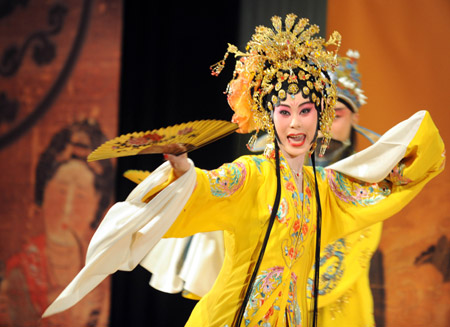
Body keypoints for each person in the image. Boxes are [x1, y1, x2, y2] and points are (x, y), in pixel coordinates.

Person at [42, 14, 445, 327]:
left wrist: (407, 154)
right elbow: (204, 188)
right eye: (284, 112)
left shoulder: (325, 189)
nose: (295, 125)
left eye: (306, 112)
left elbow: (381, 186)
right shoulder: (251, 175)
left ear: (319, 118)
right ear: (271, 120)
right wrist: (183, 166)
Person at [306, 50, 384, 326]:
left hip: (345, 305)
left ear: (355, 119)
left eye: (336, 115)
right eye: (316, 115)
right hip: (282, 301)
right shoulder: (276, 174)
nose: (324, 128)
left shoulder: (367, 181)